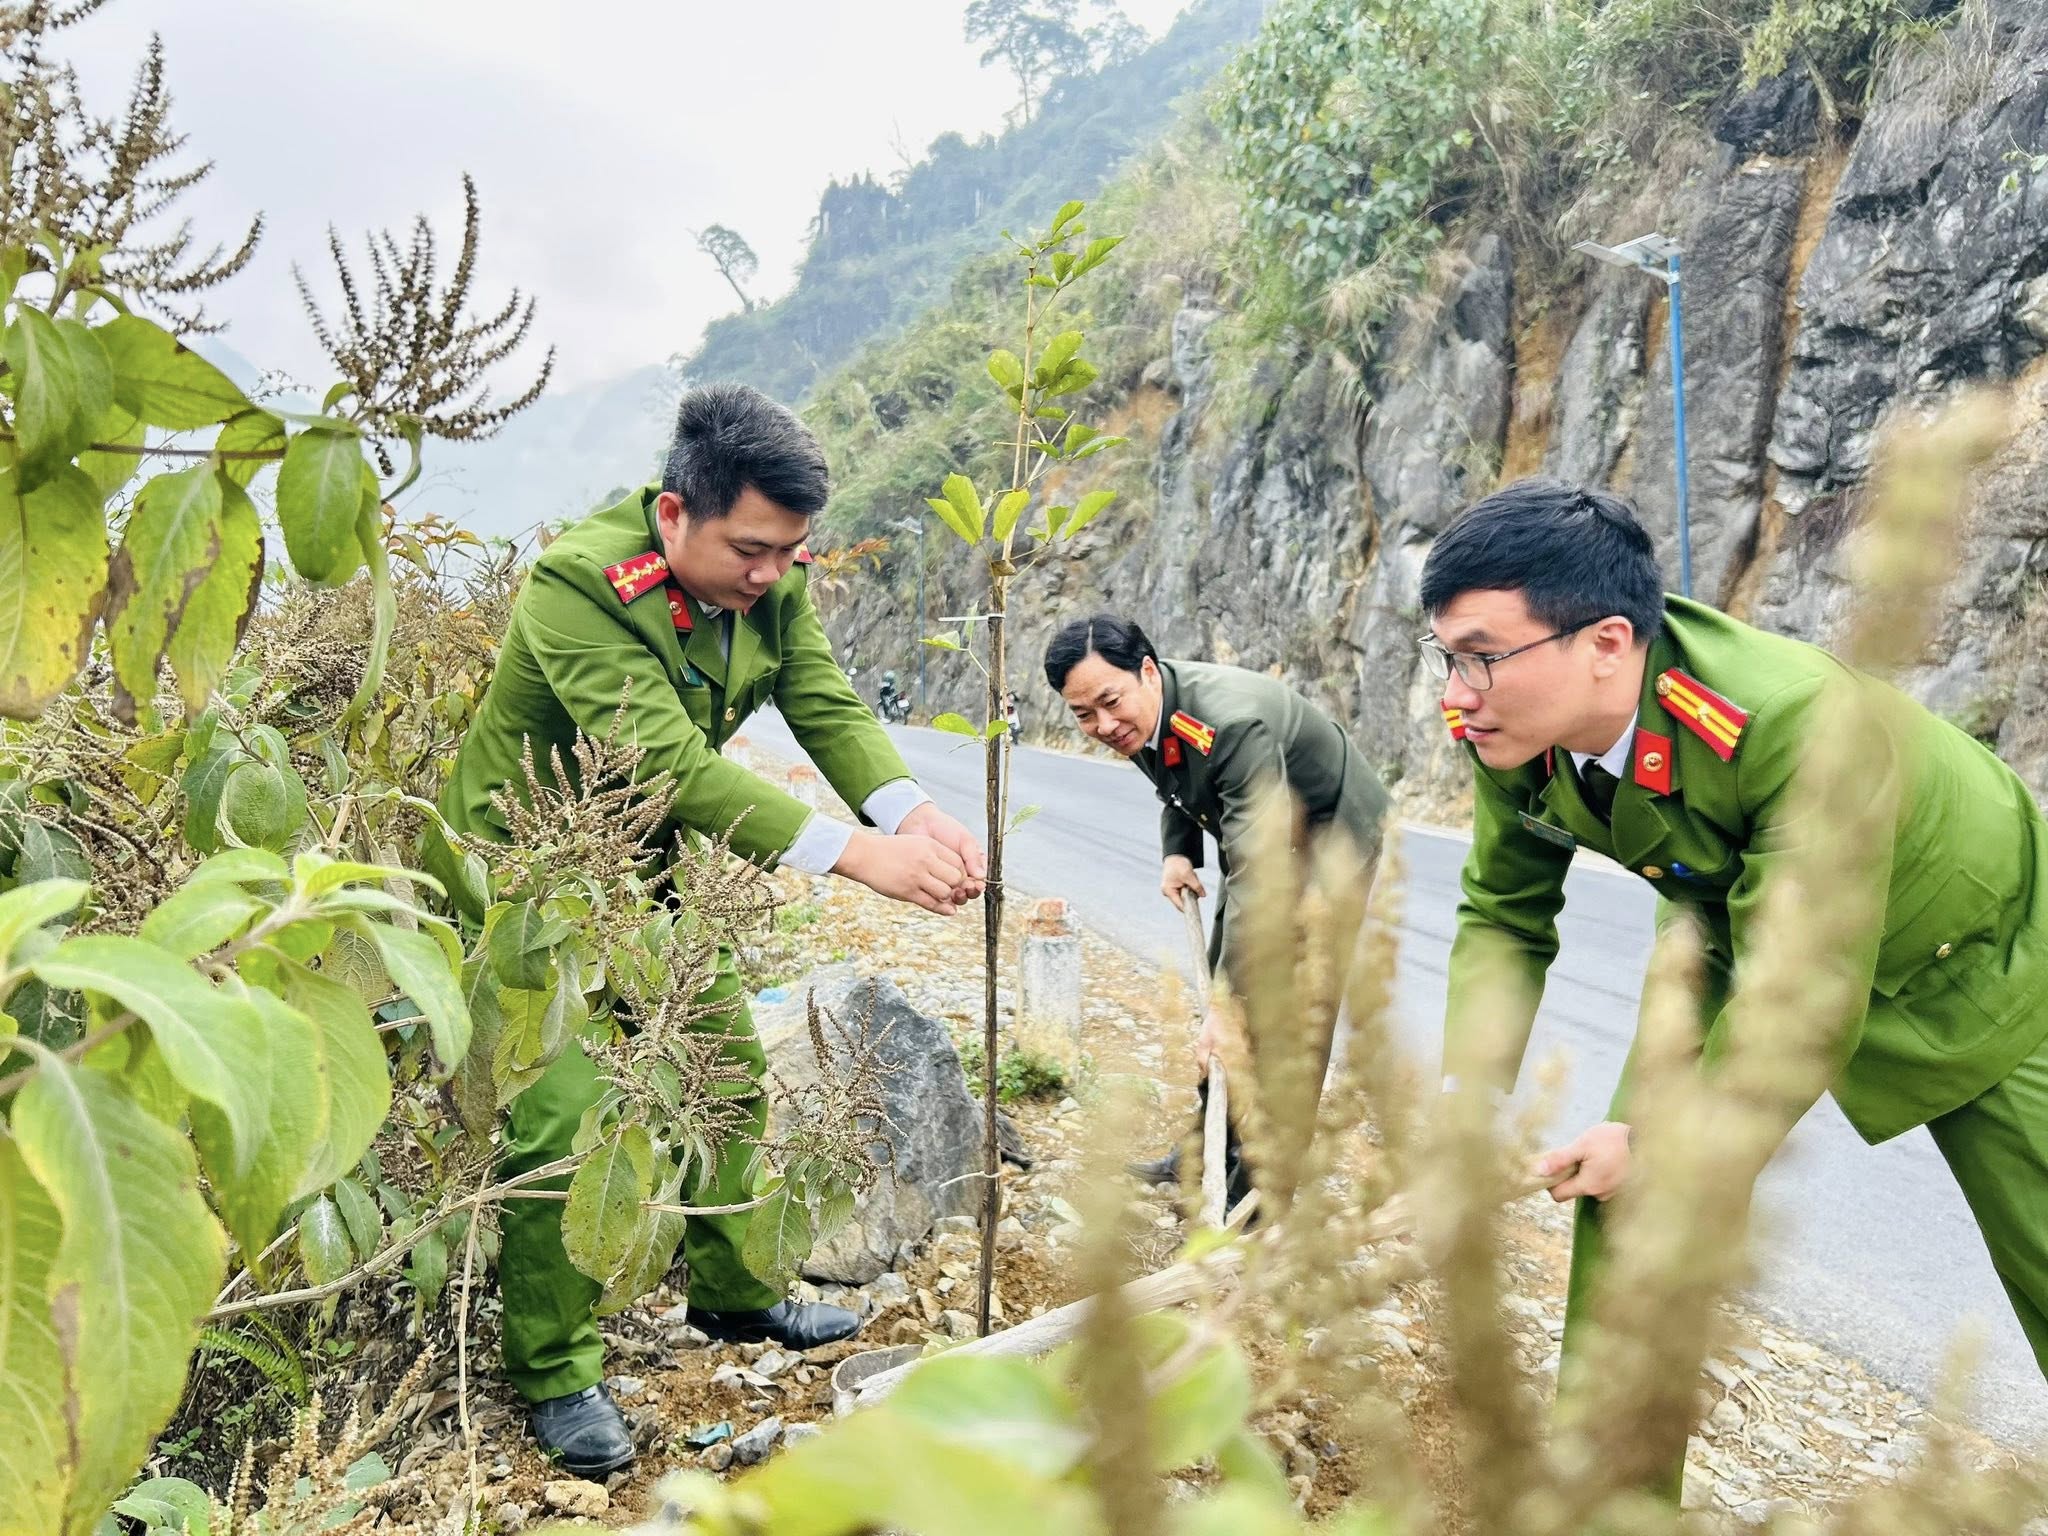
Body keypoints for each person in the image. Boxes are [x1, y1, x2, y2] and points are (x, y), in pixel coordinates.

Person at [1423, 478, 2048, 1496]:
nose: (1455, 692)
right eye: (1445, 656)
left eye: (1480, 656)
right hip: (1737, 934)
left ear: (1604, 643)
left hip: (1986, 951)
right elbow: (1502, 910)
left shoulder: (1790, 723)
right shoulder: (1509, 733)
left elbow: (1801, 1001)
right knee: (1627, 1206)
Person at [444, 383, 986, 1477]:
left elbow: (825, 701)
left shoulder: (766, 578)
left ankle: (733, 1297)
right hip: (525, 876)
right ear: (673, 515)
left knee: (723, 1064)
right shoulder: (579, 587)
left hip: (634, 872)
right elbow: (666, 766)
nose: (771, 575)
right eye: (750, 550)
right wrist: (858, 857)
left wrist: (911, 811)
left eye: (789, 554)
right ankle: (553, 1373)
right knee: (561, 1114)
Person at [1043, 614, 1389, 1196]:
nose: (1103, 724)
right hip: (1262, 829)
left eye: (1109, 702)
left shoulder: (1229, 722)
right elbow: (1175, 773)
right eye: (1083, 715)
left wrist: (1228, 1008)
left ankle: (1261, 1191)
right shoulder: (1143, 713)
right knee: (1225, 980)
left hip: (1334, 838)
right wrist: (1178, 852)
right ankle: (1204, 1152)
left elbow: (1261, 880)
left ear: (1147, 672)